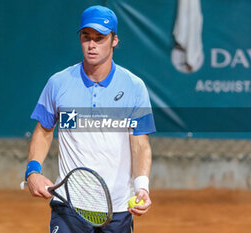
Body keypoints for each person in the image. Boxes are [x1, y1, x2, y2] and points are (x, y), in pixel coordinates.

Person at [25, 5, 156, 233]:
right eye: (86, 37)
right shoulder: (58, 83)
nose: (92, 45)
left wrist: (142, 186)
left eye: (100, 38)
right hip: (69, 206)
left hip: (118, 208)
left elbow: (140, 143)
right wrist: (32, 172)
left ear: (114, 40)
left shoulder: (135, 87)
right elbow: (44, 131)